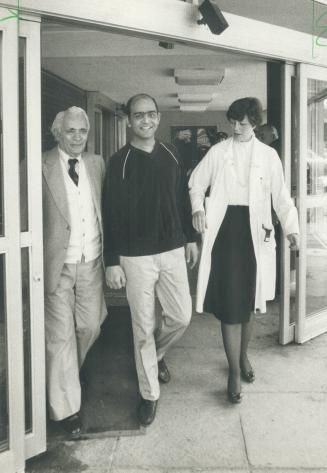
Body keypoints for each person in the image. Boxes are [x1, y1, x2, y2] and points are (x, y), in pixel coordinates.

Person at [189, 97, 299, 403]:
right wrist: (197, 208)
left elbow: (281, 197)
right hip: (226, 232)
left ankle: (243, 357)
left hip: (255, 232)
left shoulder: (268, 156)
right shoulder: (218, 152)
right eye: (233, 123)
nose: (237, 129)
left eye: (244, 124)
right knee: (230, 305)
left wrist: (292, 228)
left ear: (255, 123)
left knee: (249, 302)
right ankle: (234, 371)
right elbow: (196, 183)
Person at [103, 93, 198, 426]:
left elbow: (182, 200)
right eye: (139, 115)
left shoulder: (172, 153)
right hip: (135, 256)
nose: (146, 120)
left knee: (182, 315)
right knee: (142, 327)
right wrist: (111, 260)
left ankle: (155, 356)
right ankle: (149, 394)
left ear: (158, 118)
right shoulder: (119, 162)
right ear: (129, 120)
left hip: (172, 248)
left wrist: (189, 238)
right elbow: (110, 214)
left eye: (151, 114)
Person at [42, 106, 107, 437]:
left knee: (89, 327)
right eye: (71, 131)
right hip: (57, 265)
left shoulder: (96, 164)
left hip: (92, 260)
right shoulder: (39, 166)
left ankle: (68, 375)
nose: (78, 136)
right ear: (58, 133)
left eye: (82, 131)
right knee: (60, 337)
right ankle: (66, 410)